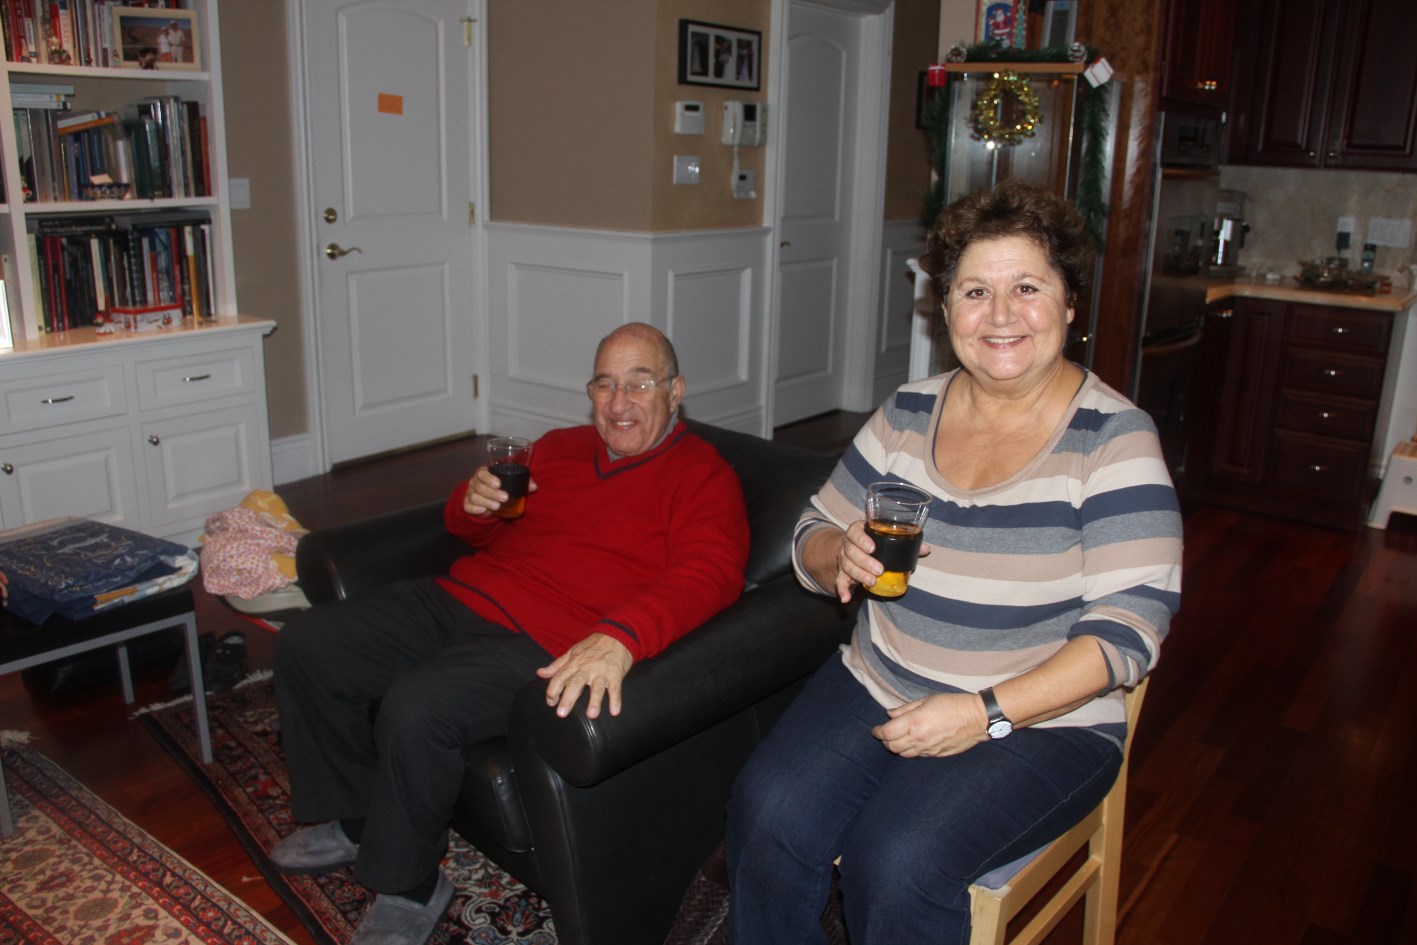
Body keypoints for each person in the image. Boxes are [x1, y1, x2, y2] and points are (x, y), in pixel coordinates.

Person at [724, 180, 1182, 943]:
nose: (999, 314)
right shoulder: (907, 410)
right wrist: (836, 552)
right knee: (765, 811)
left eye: (1026, 287)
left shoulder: (1113, 439)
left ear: (1070, 304)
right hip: (879, 679)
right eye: (974, 291)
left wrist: (983, 712)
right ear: (944, 311)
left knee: (897, 858)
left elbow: (1127, 630)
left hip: (1040, 720)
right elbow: (812, 528)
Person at [272, 323, 749, 945]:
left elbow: (711, 574)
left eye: (639, 383)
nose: (619, 402)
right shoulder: (555, 448)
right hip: (461, 599)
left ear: (675, 390)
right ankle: (358, 816)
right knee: (310, 642)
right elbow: (471, 528)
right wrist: (470, 504)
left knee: (419, 705)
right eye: (605, 384)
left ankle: (410, 884)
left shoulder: (703, 476)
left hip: (548, 641)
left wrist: (622, 636)